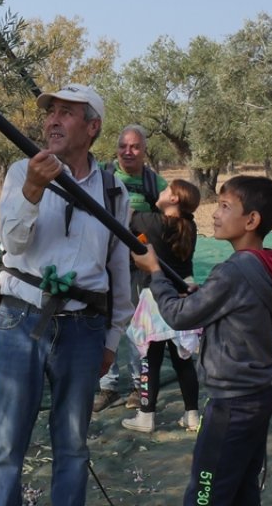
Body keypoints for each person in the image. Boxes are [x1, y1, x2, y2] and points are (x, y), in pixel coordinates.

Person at [0, 83, 133, 506]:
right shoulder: (22, 171)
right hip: (20, 321)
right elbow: (12, 244)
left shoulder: (113, 191)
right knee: (7, 443)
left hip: (84, 330)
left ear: (93, 127)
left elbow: (118, 269)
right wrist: (33, 188)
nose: (52, 119)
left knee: (72, 446)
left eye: (66, 113)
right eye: (51, 112)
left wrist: (112, 337)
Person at [134, 175, 272, 506]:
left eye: (225, 206)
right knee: (242, 490)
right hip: (258, 397)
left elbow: (179, 316)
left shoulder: (233, 271)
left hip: (230, 404)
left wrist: (155, 274)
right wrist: (205, 295)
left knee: (205, 495)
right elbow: (236, 307)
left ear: (251, 220)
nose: (215, 213)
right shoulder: (267, 267)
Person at [95, 124, 170, 413]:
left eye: (135, 146)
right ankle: (108, 386)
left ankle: (139, 387)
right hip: (104, 264)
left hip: (139, 268)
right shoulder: (103, 176)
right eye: (123, 146)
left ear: (144, 151)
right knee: (106, 323)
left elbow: (173, 220)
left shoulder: (156, 185)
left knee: (137, 328)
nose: (129, 151)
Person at [121, 178, 202, 433]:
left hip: (156, 295)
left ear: (175, 198)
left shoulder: (152, 222)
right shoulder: (189, 226)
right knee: (182, 359)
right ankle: (192, 415)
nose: (161, 191)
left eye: (167, 190)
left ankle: (146, 415)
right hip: (184, 293)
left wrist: (128, 189)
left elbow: (126, 214)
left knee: (151, 358)